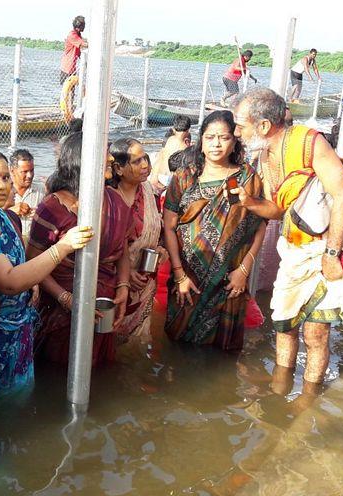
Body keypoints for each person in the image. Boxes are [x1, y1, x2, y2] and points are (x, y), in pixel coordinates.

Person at [232, 88, 343, 384]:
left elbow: (342, 197)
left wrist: (332, 255)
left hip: (324, 249)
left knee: (316, 332)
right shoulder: (264, 156)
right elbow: (279, 211)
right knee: (284, 326)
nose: (236, 132)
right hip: (293, 253)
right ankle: (280, 389)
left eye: (240, 124)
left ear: (263, 125)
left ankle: (309, 397)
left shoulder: (310, 143)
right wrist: (251, 203)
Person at [0, 148, 93, 394]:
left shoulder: (2, 216)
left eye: (6, 178)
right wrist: (63, 247)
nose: (2, 185)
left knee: (20, 398)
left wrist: (34, 282)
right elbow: (9, 282)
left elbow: (21, 259)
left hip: (19, 327)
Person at [162, 111, 267, 348]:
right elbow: (168, 227)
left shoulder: (247, 178)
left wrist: (244, 269)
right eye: (210, 138)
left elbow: (260, 226)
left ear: (234, 142)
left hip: (229, 281)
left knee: (221, 354)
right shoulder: (185, 177)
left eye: (224, 137)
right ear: (201, 141)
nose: (216, 144)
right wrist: (179, 275)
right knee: (177, 347)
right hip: (187, 279)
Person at [28, 132, 132, 367]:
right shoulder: (53, 208)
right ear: (84, 160)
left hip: (104, 302)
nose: (110, 159)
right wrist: (65, 298)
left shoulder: (114, 201)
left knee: (99, 369)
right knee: (58, 371)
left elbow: (122, 250)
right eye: (105, 153)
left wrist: (123, 286)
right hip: (59, 308)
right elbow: (32, 263)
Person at [108, 139, 165, 343]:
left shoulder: (149, 191)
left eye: (146, 158)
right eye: (137, 161)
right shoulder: (107, 198)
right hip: (113, 284)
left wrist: (160, 250)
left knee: (139, 344)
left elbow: (161, 231)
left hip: (144, 284)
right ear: (118, 168)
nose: (145, 165)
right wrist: (126, 274)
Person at [6, 149, 46, 239]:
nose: (30, 175)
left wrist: (41, 215)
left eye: (32, 170)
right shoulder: (3, 192)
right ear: (12, 171)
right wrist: (11, 212)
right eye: (25, 172)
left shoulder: (43, 191)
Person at [150, 115, 192, 194]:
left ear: (174, 128)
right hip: (171, 180)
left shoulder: (169, 139)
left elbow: (161, 157)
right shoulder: (184, 146)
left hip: (161, 176)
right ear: (188, 129)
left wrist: (154, 176)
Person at [59, 16, 88, 84]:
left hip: (72, 67)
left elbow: (80, 49)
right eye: (83, 25)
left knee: (72, 89)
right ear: (78, 27)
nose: (84, 27)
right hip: (67, 67)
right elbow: (83, 44)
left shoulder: (78, 35)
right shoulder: (72, 35)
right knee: (66, 88)